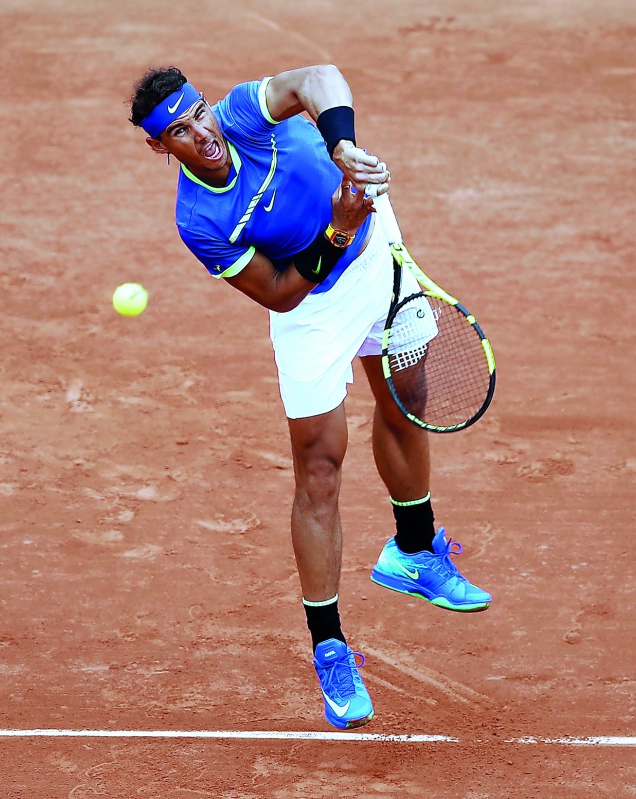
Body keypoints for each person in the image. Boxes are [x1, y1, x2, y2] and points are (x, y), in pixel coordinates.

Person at [127, 64, 491, 729]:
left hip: (377, 249)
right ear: (161, 148)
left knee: (405, 397)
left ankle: (411, 549)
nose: (201, 134)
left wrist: (342, 145)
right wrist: (338, 230)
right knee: (320, 468)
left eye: (197, 114)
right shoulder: (198, 219)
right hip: (312, 307)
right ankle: (330, 645)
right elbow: (279, 291)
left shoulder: (242, 114)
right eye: (178, 132)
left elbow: (317, 78)